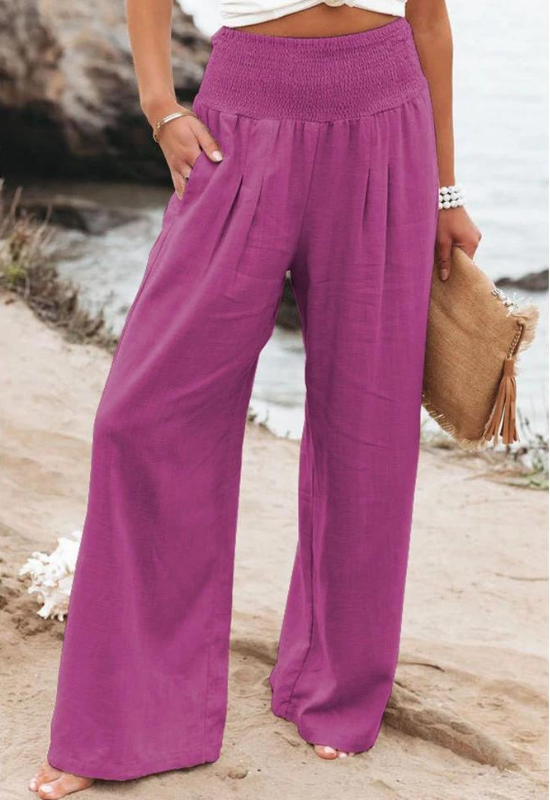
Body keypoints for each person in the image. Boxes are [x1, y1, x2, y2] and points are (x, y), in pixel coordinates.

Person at [29, 0, 481, 796]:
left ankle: (334, 690)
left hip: (387, 118)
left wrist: (446, 195)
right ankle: (124, 718)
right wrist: (159, 105)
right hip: (243, 120)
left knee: (369, 427)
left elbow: (431, 20)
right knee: (141, 418)